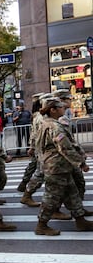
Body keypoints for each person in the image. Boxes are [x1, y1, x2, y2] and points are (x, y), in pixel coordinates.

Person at [34, 97, 93, 235]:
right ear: (53, 110)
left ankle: (80, 220)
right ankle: (41, 225)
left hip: (60, 166)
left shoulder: (47, 123)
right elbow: (65, 147)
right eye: (60, 107)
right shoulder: (54, 126)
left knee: (72, 193)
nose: (63, 108)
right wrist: (81, 162)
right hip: (56, 167)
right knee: (51, 197)